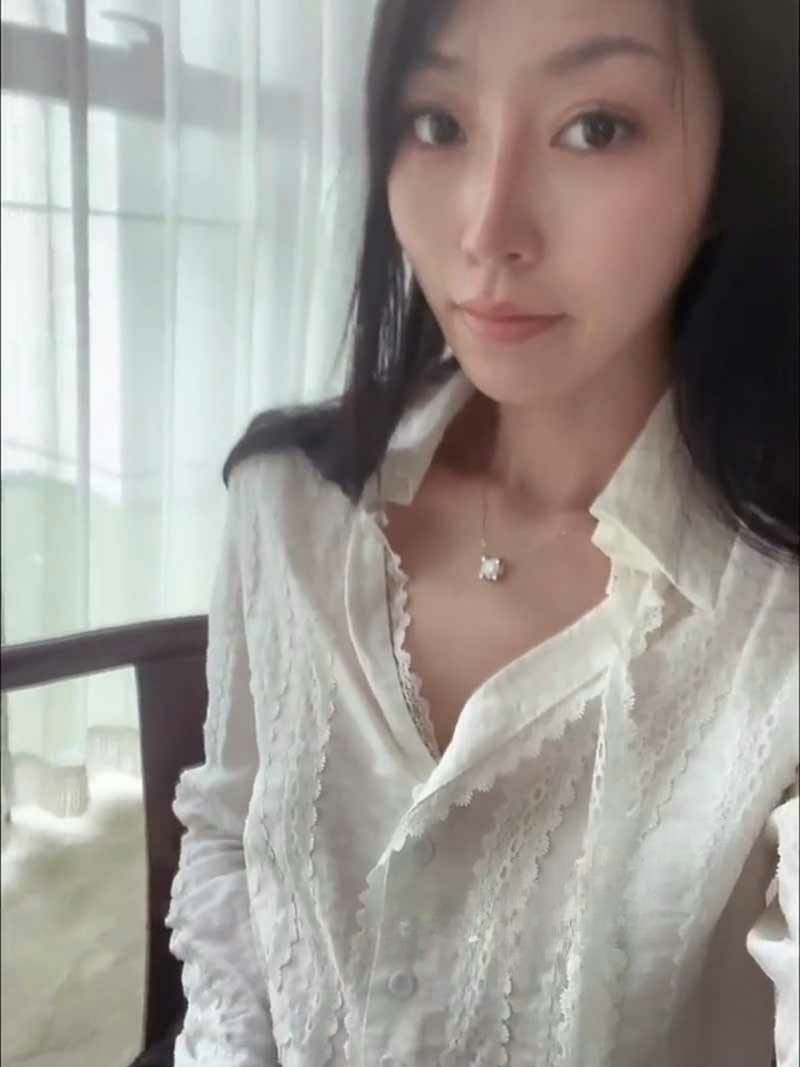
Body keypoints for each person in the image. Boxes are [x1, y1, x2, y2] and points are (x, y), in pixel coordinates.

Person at [165, 0, 799, 1064]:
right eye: (437, 123)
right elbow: (232, 834)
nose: (486, 228)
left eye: (594, 127)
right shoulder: (288, 505)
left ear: (735, 155)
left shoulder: (771, 607)